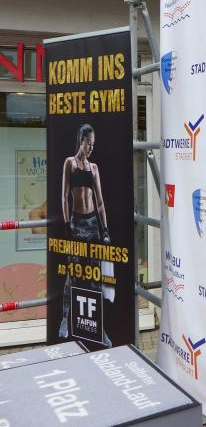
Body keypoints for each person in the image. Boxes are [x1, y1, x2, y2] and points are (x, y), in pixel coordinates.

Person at [59, 124, 113, 345]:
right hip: (76, 223)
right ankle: (65, 318)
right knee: (72, 273)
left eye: (93, 144)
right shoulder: (69, 164)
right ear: (80, 140)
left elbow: (100, 202)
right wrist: (66, 225)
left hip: (92, 226)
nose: (91, 147)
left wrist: (105, 229)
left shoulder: (94, 168)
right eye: (88, 143)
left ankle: (99, 328)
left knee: (94, 277)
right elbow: (64, 197)